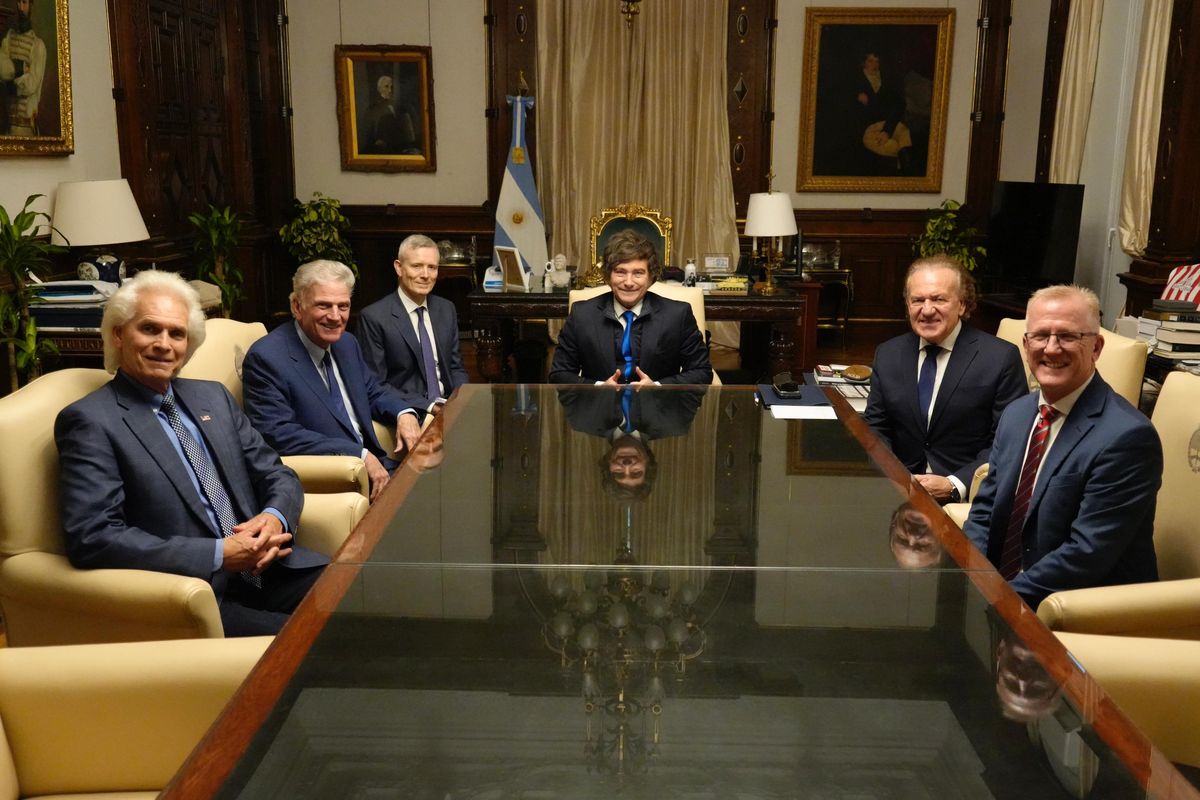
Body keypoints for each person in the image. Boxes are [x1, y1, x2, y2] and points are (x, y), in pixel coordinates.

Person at [54, 270, 326, 637]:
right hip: (199, 595)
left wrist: (274, 517)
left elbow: (277, 473)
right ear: (118, 334)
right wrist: (217, 553)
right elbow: (94, 537)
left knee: (372, 596)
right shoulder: (90, 421)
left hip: (270, 570)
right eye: (150, 329)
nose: (164, 344)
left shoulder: (212, 396)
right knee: (323, 642)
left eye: (176, 333)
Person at [963, 285, 1162, 609]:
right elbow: (985, 511)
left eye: (1068, 337)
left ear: (1096, 347)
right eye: (1040, 336)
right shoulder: (1018, 415)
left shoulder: (1127, 438)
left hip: (1086, 613)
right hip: (1008, 599)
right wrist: (969, 577)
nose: (1051, 349)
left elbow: (1087, 555)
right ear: (1026, 345)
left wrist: (998, 597)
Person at [242, 260, 412, 503]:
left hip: (379, 467)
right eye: (324, 306)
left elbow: (372, 391)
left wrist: (403, 413)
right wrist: (359, 455)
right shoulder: (266, 358)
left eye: (343, 306)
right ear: (297, 306)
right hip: (335, 481)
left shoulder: (347, 343)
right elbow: (278, 433)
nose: (335, 316)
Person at [864, 255, 1028, 505]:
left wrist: (955, 484)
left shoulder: (1000, 358)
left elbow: (1008, 440)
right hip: (897, 492)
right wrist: (894, 476)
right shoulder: (888, 354)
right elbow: (876, 426)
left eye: (939, 299)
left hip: (968, 499)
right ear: (907, 304)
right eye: (917, 300)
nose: (927, 310)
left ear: (962, 304)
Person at [549, 230, 713, 385]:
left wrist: (657, 386)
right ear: (608, 275)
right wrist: (598, 387)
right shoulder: (581, 314)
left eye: (638, 273)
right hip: (599, 409)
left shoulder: (678, 315)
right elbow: (559, 374)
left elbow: (701, 372)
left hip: (657, 409)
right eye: (620, 272)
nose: (628, 282)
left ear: (650, 277)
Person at [357, 234, 469, 453]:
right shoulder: (374, 317)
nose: (426, 275)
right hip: (411, 409)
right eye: (417, 266)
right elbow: (375, 384)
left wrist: (461, 398)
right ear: (399, 267)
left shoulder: (446, 309)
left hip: (449, 408)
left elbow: (455, 367)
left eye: (432, 267)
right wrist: (430, 406)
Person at [558, 385, 705, 500]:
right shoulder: (675, 422)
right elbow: (698, 380)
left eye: (618, 473)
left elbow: (564, 376)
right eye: (636, 472)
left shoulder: (582, 420)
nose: (627, 466)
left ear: (608, 463)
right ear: (649, 463)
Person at [0, 0, 46, 136]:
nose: (20, 7)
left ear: (31, 5)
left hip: (26, 129)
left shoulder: (38, 46)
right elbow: (1, 70)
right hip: (6, 128)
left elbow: (31, 84)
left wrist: (9, 85)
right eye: (18, 2)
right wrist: (22, 67)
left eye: (24, 2)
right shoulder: (8, 38)